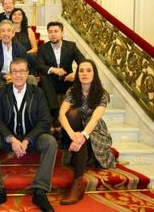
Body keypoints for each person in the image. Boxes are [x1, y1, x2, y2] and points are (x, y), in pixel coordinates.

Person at [0, 58, 57, 212]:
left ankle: (40, 191)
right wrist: (11, 138)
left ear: (27, 73)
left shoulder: (38, 92)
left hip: (33, 139)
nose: (18, 75)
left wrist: (28, 139)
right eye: (14, 71)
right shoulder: (2, 92)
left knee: (50, 141)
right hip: (8, 139)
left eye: (21, 71)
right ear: (10, 74)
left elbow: (45, 120)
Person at [58, 59, 116, 205]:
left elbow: (95, 119)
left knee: (81, 132)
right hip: (75, 128)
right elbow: (61, 114)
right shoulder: (72, 91)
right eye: (81, 70)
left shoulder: (102, 93)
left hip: (93, 129)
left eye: (88, 70)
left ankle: (78, 183)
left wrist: (82, 136)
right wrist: (73, 135)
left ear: (94, 73)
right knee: (72, 114)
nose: (84, 73)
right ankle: (79, 173)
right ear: (77, 74)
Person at [36, 21, 85, 125]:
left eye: (56, 31)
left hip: (67, 81)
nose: (53, 34)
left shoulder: (71, 46)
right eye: (50, 32)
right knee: (45, 76)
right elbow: (39, 66)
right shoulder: (43, 48)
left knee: (80, 78)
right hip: (51, 83)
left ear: (62, 33)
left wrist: (75, 74)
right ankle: (55, 111)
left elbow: (83, 62)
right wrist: (53, 69)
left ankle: (81, 115)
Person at [0, 20, 37, 110]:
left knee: (31, 78)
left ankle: (32, 108)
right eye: (3, 31)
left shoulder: (21, 48)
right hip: (0, 78)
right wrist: (4, 76)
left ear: (13, 33)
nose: (6, 33)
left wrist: (14, 76)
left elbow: (24, 67)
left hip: (18, 76)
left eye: (9, 31)